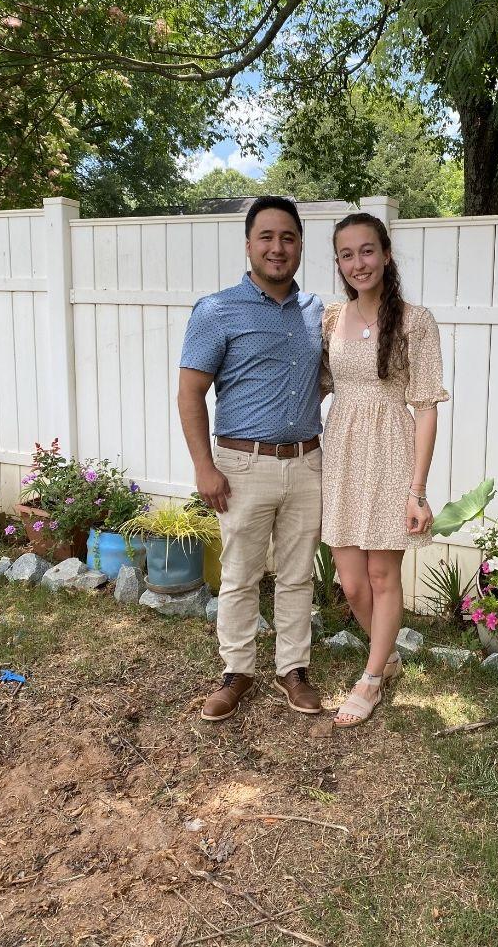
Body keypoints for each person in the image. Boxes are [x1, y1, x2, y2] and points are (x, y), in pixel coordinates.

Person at [177, 195, 326, 722]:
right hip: (241, 467)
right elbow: (190, 393)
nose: (277, 247)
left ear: (300, 245)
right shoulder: (215, 311)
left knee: (297, 576)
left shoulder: (318, 313)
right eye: (266, 237)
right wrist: (204, 467)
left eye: (288, 237)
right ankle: (236, 672)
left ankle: (293, 670)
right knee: (240, 576)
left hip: (307, 463)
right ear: (248, 245)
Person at [321, 212, 449, 728]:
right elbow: (319, 384)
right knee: (352, 583)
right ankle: (387, 654)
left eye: (367, 250)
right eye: (347, 254)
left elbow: (426, 407)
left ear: (386, 253)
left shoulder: (416, 321)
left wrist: (417, 489)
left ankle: (371, 678)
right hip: (342, 453)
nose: (359, 263)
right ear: (339, 263)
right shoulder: (331, 318)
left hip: (392, 452)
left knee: (381, 574)